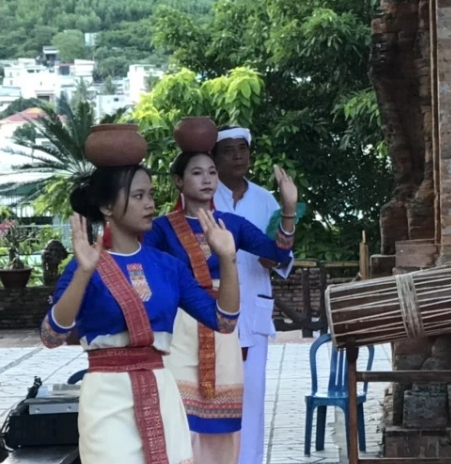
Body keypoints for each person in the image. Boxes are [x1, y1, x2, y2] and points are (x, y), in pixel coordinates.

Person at [40, 138, 241, 464]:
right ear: (107, 207)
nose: (150, 204)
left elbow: (224, 321)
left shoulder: (168, 267)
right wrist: (83, 274)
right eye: (138, 196)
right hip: (107, 398)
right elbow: (51, 336)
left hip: (161, 388)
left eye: (150, 195)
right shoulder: (85, 264)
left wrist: (228, 259)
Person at [145, 142, 297, 463]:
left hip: (223, 327)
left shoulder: (232, 224)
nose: (207, 179)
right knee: (178, 417)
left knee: (222, 425)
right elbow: (146, 272)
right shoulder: (161, 228)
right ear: (178, 181)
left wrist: (288, 208)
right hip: (179, 327)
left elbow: (278, 253)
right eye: (197, 173)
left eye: (211, 172)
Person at [210, 126, 298, 464]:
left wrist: (275, 257)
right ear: (215, 158)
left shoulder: (265, 200)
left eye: (243, 149)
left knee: (252, 400)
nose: (237, 156)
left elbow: (283, 255)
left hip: (254, 311)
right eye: (229, 150)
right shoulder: (204, 195)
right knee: (214, 398)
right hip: (212, 311)